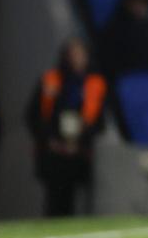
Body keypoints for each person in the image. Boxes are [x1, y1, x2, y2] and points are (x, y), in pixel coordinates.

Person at [27, 38, 107, 217]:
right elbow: (33, 116)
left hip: (78, 153)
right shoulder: (50, 80)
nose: (77, 60)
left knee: (74, 203)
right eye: (73, 55)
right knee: (53, 201)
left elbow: (99, 123)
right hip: (53, 153)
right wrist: (50, 140)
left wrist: (82, 140)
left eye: (81, 55)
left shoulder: (94, 84)